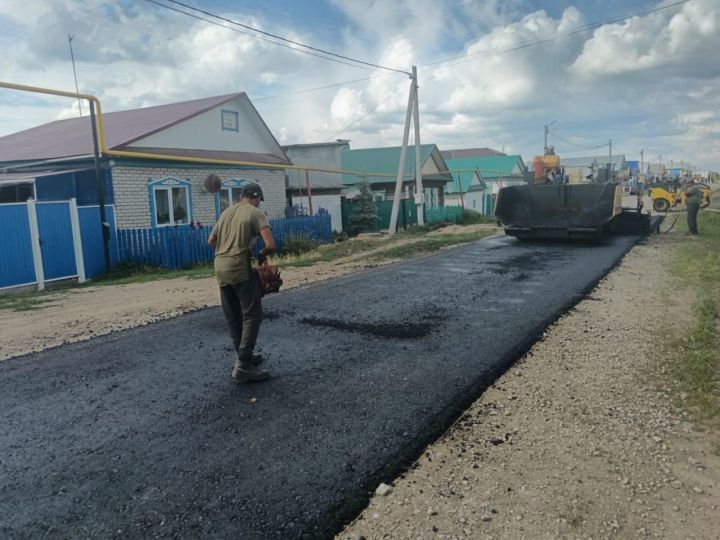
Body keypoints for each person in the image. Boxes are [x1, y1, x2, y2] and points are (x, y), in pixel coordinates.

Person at [208, 183, 276, 382]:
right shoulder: (255, 213)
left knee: (234, 317)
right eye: (258, 200)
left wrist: (227, 250)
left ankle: (243, 356)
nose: (258, 203)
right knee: (252, 315)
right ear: (256, 197)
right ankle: (243, 366)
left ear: (241, 196)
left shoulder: (226, 212)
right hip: (239, 267)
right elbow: (270, 245)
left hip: (220, 267)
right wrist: (261, 254)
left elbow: (211, 241)